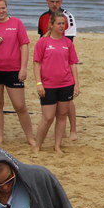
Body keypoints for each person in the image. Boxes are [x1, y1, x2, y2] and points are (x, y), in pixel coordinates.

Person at [0, 0, 35, 147]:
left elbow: (24, 45)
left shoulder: (16, 23)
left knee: (20, 106)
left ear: (7, 8)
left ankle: (30, 137)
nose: (1, 11)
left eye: (3, 8)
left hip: (13, 70)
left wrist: (23, 68)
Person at [32, 13, 79, 153]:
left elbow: (72, 64)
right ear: (51, 25)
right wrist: (38, 83)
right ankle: (38, 145)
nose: (61, 26)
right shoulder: (43, 42)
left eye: (63, 23)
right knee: (47, 117)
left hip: (66, 84)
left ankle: (57, 146)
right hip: (48, 85)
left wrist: (76, 84)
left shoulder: (68, 43)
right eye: (59, 23)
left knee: (62, 116)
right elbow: (36, 63)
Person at [36, 0, 77, 141]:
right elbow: (42, 40)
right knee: (52, 108)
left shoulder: (68, 17)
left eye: (57, 2)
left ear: (61, 1)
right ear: (47, 1)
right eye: (52, 1)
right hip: (49, 63)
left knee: (68, 101)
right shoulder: (43, 17)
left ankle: (73, 129)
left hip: (63, 61)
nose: (54, 4)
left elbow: (68, 43)